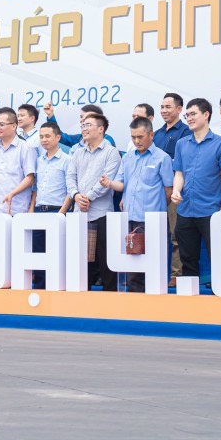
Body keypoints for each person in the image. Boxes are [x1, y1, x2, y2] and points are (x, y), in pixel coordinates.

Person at [108, 116, 174, 292]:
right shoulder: (128, 157)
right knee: (133, 265)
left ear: (151, 135)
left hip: (153, 221)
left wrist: (157, 207)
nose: (136, 141)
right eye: (133, 137)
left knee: (154, 265)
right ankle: (135, 300)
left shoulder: (163, 158)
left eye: (140, 137)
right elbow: (121, 183)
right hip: (131, 219)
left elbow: (169, 189)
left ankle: (154, 301)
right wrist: (108, 183)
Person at [170, 98, 221, 287]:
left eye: (193, 114)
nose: (189, 118)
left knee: (218, 257)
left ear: (206, 115)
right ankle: (190, 298)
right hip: (185, 209)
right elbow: (179, 173)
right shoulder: (181, 144)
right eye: (187, 115)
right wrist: (176, 191)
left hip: (211, 210)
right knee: (187, 259)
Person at [65, 112, 122, 291]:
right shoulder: (78, 152)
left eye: (88, 125)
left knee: (105, 261)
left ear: (101, 129)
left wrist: (87, 197)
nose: (84, 129)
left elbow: (107, 181)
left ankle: (109, 298)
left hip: (101, 213)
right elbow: (70, 177)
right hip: (80, 214)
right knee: (82, 263)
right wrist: (76, 195)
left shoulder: (111, 152)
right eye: (83, 125)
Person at [153, 92, 191, 279]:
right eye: (162, 107)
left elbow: (184, 162)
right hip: (155, 191)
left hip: (175, 191)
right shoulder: (156, 134)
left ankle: (176, 276)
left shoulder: (186, 132)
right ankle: (155, 275)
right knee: (154, 235)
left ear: (179, 109)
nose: (163, 110)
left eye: (168, 107)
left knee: (176, 235)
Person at [30, 122, 72, 289]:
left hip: (57, 211)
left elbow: (71, 190)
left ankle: (57, 289)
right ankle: (40, 289)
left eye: (48, 136)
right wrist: (32, 209)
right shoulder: (38, 161)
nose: (44, 140)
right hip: (39, 212)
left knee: (57, 254)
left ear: (58, 137)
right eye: (41, 136)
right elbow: (35, 188)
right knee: (38, 254)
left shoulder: (67, 160)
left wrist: (61, 213)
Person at [0, 108, 36, 215]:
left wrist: (12, 193)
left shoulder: (25, 148)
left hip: (17, 210)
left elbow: (30, 178)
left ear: (14, 126)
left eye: (2, 125)